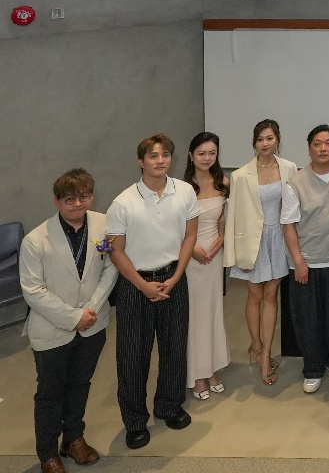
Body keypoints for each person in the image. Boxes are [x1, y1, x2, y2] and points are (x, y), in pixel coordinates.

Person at [20, 169, 118, 473]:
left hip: (93, 323)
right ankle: (48, 453)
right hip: (51, 329)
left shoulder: (104, 225)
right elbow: (33, 291)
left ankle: (74, 439)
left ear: (92, 196)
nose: (78, 204)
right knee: (50, 393)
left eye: (84, 196)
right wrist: (74, 317)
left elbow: (111, 268)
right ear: (57, 201)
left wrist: (89, 310)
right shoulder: (35, 240)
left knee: (80, 384)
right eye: (70, 198)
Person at [106, 134, 199, 449]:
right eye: (153, 156)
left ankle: (168, 406)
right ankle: (134, 421)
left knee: (175, 348)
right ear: (141, 162)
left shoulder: (185, 191)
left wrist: (176, 276)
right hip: (136, 285)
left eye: (165, 155)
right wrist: (142, 285)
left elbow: (190, 236)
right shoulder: (123, 202)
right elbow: (115, 250)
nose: (160, 161)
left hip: (174, 280)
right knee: (133, 356)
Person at [280, 125, 329, 395]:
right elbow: (288, 225)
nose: (323, 148)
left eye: (328, 143)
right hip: (306, 262)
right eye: (317, 143)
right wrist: (299, 261)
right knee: (307, 318)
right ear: (309, 148)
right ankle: (313, 367)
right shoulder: (296, 183)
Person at [223, 119, 298, 386]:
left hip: (279, 239)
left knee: (271, 296)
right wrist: (234, 254)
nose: (265, 144)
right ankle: (255, 345)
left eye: (269, 138)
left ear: (278, 139)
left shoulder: (289, 168)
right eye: (260, 139)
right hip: (251, 242)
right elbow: (234, 216)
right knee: (254, 296)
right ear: (253, 142)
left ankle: (265, 354)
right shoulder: (240, 175)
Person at [182, 133, 229, 400]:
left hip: (214, 257)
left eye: (212, 153)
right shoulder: (181, 187)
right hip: (191, 258)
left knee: (213, 311)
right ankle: (197, 374)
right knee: (194, 316)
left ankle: (211, 368)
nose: (207, 158)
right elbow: (174, 226)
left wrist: (221, 239)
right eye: (201, 153)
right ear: (191, 155)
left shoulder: (223, 182)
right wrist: (191, 251)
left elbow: (222, 218)